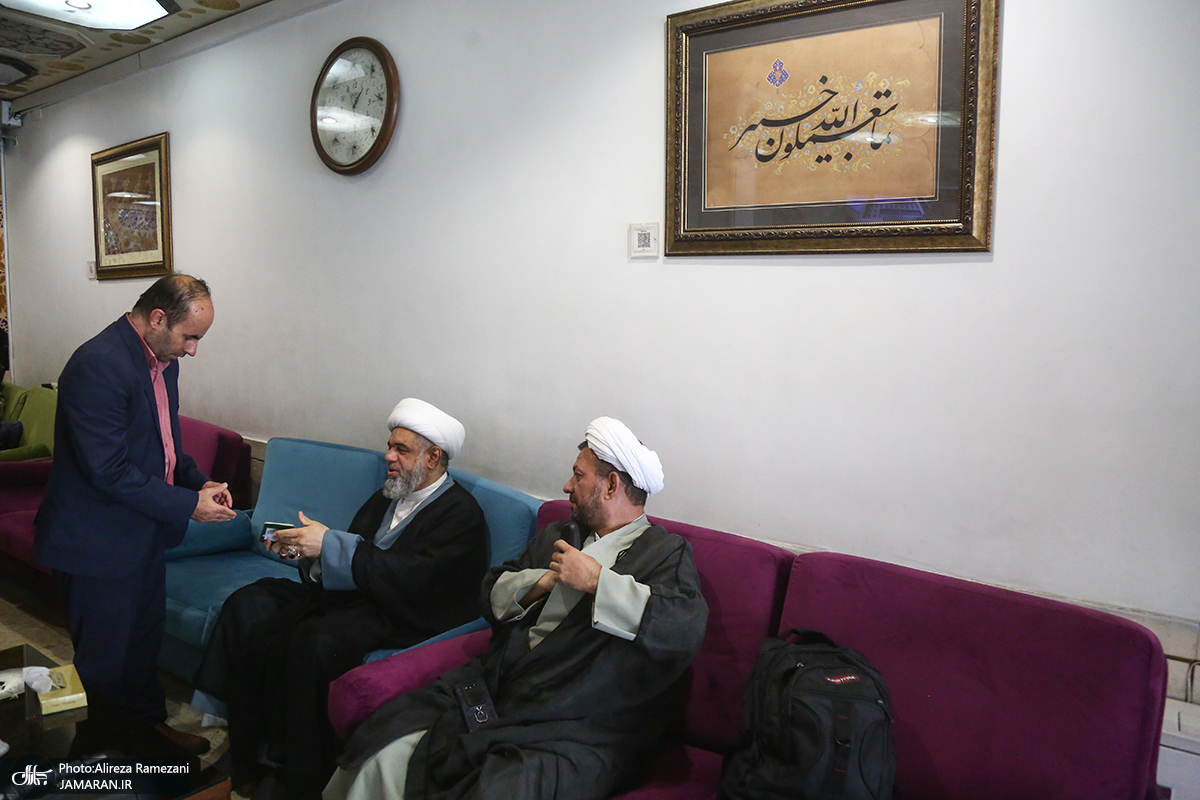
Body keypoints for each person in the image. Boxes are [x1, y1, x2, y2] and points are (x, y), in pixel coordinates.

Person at [325, 417, 709, 800]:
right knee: (384, 744)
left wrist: (597, 582)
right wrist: (542, 581)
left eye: (578, 476)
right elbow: (492, 590)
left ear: (610, 485)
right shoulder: (560, 534)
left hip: (583, 723)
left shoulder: (664, 552)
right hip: (502, 692)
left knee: (498, 788)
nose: (567, 486)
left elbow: (681, 629)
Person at [192, 398, 489, 800]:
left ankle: (294, 772)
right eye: (390, 446)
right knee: (250, 603)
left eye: (401, 449)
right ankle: (247, 749)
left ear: (433, 457)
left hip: (407, 616)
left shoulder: (461, 515)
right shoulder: (388, 496)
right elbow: (355, 557)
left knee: (314, 641)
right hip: (357, 598)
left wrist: (330, 546)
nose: (388, 457)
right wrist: (308, 554)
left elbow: (414, 578)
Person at [35, 274, 235, 755]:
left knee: (142, 645)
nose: (192, 351)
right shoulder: (97, 364)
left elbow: (164, 446)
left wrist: (198, 482)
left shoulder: (164, 362)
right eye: (190, 337)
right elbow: (107, 470)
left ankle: (149, 732)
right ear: (158, 318)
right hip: (96, 540)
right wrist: (188, 506)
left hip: (143, 531)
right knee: (104, 662)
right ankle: (100, 759)